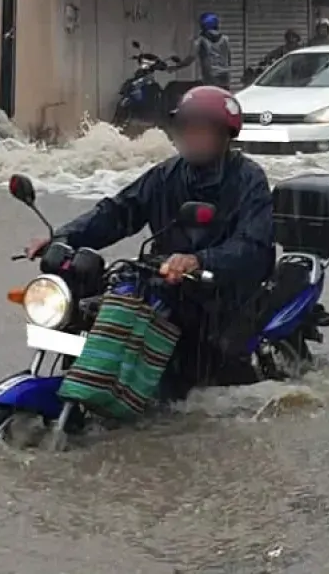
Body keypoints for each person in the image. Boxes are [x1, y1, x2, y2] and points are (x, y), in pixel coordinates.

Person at [24, 86, 276, 394]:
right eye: (186, 127)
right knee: (95, 308)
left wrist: (199, 260)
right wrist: (63, 237)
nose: (191, 135)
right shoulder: (166, 175)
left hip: (224, 292)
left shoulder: (248, 179)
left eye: (201, 129)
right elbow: (118, 212)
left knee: (223, 381)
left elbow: (253, 245)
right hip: (166, 283)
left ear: (225, 135)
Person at [174, 12, 233, 87]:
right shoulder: (225, 39)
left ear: (202, 25)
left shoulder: (199, 40)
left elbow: (190, 58)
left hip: (210, 78)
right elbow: (229, 59)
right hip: (225, 77)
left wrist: (176, 67)